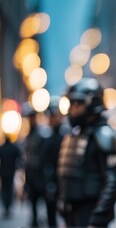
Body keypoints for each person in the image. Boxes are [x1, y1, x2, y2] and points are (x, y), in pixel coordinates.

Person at [57, 78, 116, 227]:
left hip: (91, 214)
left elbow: (112, 182)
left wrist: (98, 219)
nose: (72, 109)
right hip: (73, 214)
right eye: (71, 104)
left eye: (77, 104)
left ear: (92, 103)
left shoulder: (104, 135)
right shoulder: (76, 134)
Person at [40, 96, 69, 227]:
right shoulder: (46, 138)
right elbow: (44, 161)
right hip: (51, 180)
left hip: (65, 181)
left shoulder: (66, 135)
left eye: (54, 115)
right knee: (51, 215)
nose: (52, 119)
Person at [21, 101, 49, 227]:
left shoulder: (42, 134)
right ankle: (35, 220)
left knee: (46, 204)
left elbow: (44, 157)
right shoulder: (28, 136)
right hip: (31, 175)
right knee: (33, 203)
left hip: (41, 176)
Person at [0, 135, 21, 218]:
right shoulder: (14, 148)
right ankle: (8, 207)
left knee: (4, 190)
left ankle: (6, 207)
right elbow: (19, 157)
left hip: (3, 172)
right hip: (11, 171)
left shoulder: (2, 148)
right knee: (9, 189)